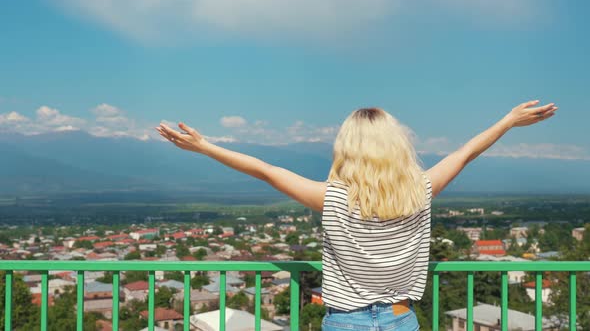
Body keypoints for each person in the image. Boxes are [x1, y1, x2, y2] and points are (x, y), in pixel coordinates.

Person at [155, 100, 557, 330]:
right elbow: (465, 153)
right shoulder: (421, 188)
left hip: (346, 322)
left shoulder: (332, 198)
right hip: (402, 318)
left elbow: (265, 170)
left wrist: (204, 146)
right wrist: (508, 121)